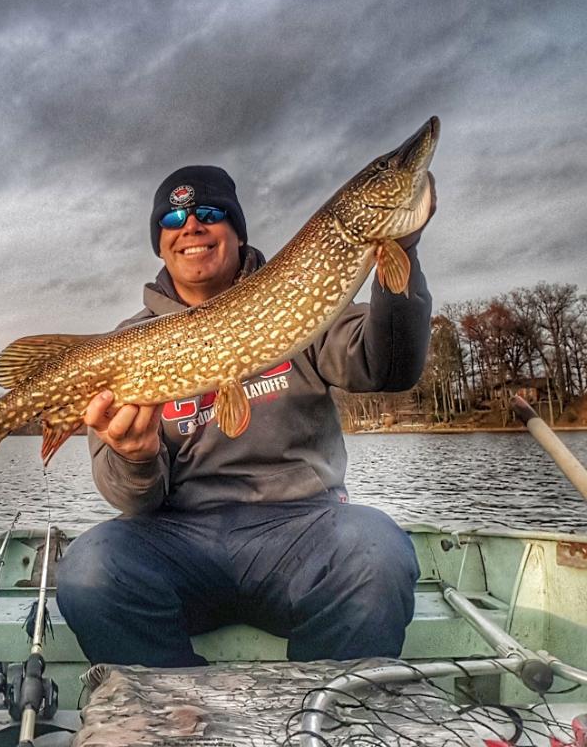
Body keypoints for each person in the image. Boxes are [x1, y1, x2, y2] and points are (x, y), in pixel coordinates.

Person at [56, 165, 434, 667]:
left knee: (377, 552)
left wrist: (401, 249)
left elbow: (388, 365)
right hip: (179, 541)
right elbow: (131, 499)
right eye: (173, 217)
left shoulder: (298, 292)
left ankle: (322, 716)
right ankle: (176, 716)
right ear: (161, 242)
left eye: (209, 213)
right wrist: (137, 458)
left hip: (303, 531)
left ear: (236, 231)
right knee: (88, 570)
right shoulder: (127, 346)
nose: (191, 225)